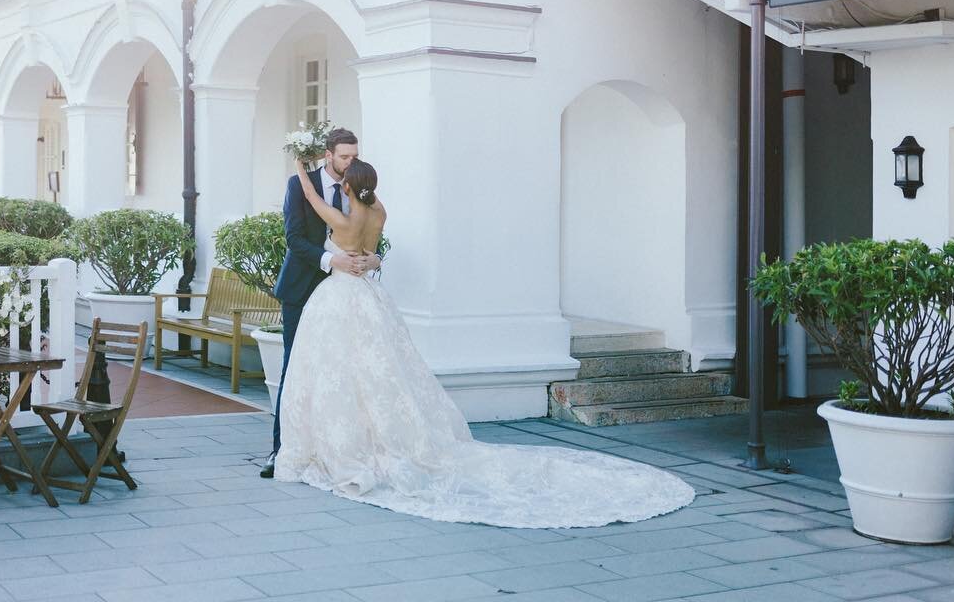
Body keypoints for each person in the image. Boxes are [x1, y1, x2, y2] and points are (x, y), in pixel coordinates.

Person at [272, 155, 697, 528]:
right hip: (370, 296)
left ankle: (338, 443)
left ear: (348, 185)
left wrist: (298, 170)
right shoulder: (378, 211)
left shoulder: (342, 217)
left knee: (336, 369)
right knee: (382, 371)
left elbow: (312, 201)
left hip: (340, 295)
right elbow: (374, 246)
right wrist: (372, 255)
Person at [261, 127, 380, 479]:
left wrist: (373, 261)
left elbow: (372, 238)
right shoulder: (299, 185)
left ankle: (337, 447)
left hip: (347, 295)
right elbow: (294, 239)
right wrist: (332, 262)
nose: (351, 162)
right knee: (294, 368)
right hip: (303, 289)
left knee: (344, 371)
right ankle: (281, 450)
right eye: (345, 156)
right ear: (328, 155)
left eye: (355, 156)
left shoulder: (362, 186)